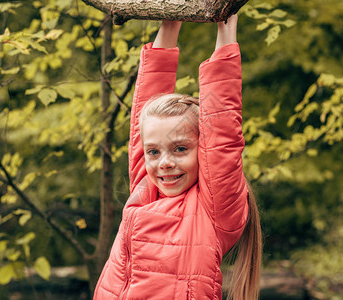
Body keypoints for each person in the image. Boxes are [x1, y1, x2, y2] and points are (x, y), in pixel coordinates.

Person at [93, 14, 262, 300]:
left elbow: (223, 132)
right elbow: (146, 115)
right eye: (154, 152)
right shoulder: (147, 190)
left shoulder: (213, 210)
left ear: (203, 150)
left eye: (180, 149)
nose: (165, 163)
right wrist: (169, 23)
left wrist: (226, 26)